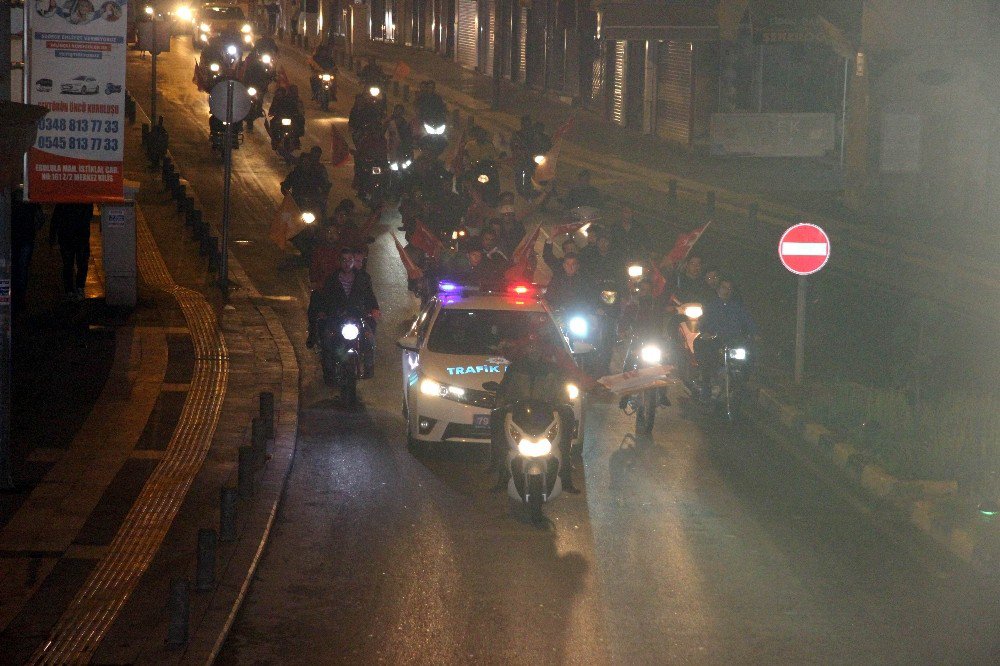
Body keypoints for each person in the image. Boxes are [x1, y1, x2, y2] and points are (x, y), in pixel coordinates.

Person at [490, 327, 596, 493]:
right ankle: (500, 472)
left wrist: (564, 401)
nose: (534, 351)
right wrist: (503, 403)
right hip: (519, 409)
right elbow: (504, 389)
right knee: (496, 418)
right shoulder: (515, 368)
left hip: (547, 409)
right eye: (530, 347)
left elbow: (564, 387)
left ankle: (566, 476)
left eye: (537, 347)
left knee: (567, 416)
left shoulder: (553, 369)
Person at [694, 278, 758, 399]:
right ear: (718, 289)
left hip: (734, 342)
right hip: (715, 341)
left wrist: (754, 333)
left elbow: (748, 321)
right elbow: (703, 321)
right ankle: (706, 387)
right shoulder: (711, 305)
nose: (726, 291)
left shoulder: (737, 307)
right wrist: (705, 332)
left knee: (748, 357)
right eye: (724, 287)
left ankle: (742, 385)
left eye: (729, 288)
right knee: (703, 351)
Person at [307, 247, 381, 348]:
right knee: (327, 342)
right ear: (339, 261)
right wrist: (323, 311)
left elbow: (369, 295)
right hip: (337, 318)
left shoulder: (363, 279)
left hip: (357, 317)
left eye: (350, 260)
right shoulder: (332, 279)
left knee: (369, 341)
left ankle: (368, 364)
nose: (347, 263)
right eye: (344, 260)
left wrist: (374, 309)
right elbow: (326, 297)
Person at [50, 203, 93, 301]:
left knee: (69, 264)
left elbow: (56, 216)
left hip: (68, 235)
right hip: (79, 235)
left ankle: (71, 290)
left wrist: (52, 235)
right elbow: (88, 215)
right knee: (80, 263)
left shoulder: (65, 200)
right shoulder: (84, 200)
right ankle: (78, 288)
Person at [11, 188, 43, 313]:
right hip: (26, 239)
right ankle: (20, 297)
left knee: (13, 267)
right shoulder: (31, 200)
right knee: (22, 268)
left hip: (13, 239)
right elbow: (40, 219)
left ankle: (14, 297)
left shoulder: (11, 199)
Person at [282, 146, 331, 218]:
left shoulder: (316, 174)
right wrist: (286, 192)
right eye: (304, 162)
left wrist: (324, 194)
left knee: (322, 214)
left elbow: (324, 184)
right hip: (297, 202)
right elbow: (286, 185)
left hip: (311, 202)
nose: (306, 164)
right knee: (285, 217)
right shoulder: (295, 174)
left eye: (308, 162)